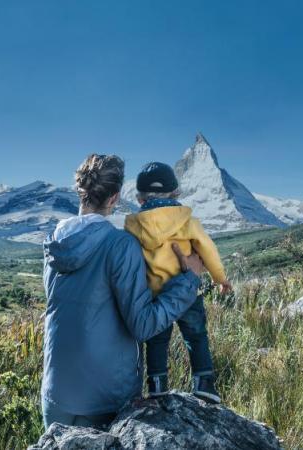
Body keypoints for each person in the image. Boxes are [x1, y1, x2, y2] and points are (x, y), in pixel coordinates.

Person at [41, 154, 206, 429]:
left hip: (55, 394)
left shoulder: (53, 244)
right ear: (114, 198)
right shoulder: (120, 246)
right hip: (105, 399)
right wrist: (188, 280)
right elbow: (143, 325)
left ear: (80, 192)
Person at [124, 162, 231, 403]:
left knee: (157, 339)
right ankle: (204, 383)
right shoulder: (187, 221)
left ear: (140, 199)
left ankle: (157, 384)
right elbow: (207, 249)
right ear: (176, 193)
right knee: (196, 335)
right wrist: (220, 278)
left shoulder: (133, 226)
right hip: (187, 289)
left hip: (153, 293)